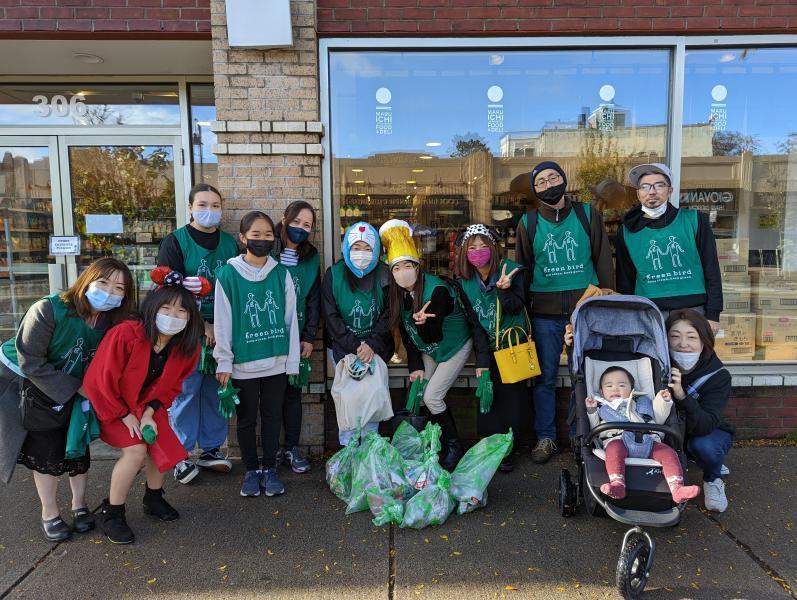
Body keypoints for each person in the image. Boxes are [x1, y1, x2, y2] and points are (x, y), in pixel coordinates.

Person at [0, 258, 134, 542]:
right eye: (103, 282)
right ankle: (49, 513)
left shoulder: (113, 322)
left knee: (77, 445)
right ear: (87, 280)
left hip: (77, 385)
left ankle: (79, 505)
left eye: (119, 287)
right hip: (31, 381)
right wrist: (77, 388)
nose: (109, 292)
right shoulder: (49, 309)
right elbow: (30, 362)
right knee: (46, 449)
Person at [83, 267, 205, 544]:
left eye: (182, 311)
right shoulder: (126, 334)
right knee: (137, 450)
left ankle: (153, 497)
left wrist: (149, 413)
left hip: (146, 407)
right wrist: (124, 414)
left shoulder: (187, 347)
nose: (173, 316)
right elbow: (99, 381)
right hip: (111, 405)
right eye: (166, 308)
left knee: (161, 441)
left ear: (191, 317)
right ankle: (112, 512)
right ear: (152, 307)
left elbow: (172, 387)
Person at [515, 160, 614, 464]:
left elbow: (603, 257)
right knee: (544, 378)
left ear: (564, 180)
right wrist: (522, 310)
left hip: (585, 310)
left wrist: (607, 298)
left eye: (553, 177)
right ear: (535, 190)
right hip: (544, 313)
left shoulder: (587, 214)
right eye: (541, 182)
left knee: (582, 376)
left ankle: (580, 435)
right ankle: (545, 437)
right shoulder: (528, 222)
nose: (548, 184)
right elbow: (523, 268)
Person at [214, 211, 300, 498]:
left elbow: (290, 320)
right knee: (246, 419)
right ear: (243, 238)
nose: (263, 240)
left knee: (273, 417)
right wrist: (224, 361)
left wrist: (292, 361)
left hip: (276, 361)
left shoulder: (281, 273)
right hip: (243, 364)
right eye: (256, 235)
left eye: (268, 235)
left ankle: (270, 468)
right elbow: (223, 321)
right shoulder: (227, 275)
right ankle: (251, 470)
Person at [158, 183, 240, 484]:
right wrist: (201, 325)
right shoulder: (175, 242)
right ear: (191, 207)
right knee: (186, 390)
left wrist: (221, 327)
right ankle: (179, 455)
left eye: (215, 206)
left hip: (223, 330)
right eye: (203, 205)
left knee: (215, 388)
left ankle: (211, 449)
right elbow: (169, 291)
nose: (209, 211)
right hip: (186, 330)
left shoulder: (230, 244)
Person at [381, 220, 471, 471]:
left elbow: (432, 335)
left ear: (418, 267)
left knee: (432, 396)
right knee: (419, 392)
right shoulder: (396, 293)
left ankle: (454, 446)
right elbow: (406, 333)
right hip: (429, 348)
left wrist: (422, 323)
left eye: (407, 266)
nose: (402, 272)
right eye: (397, 267)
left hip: (453, 346)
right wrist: (415, 365)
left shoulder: (437, 291)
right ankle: (430, 443)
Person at [615, 163, 723, 333]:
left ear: (670, 190)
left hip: (693, 308)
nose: (652, 191)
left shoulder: (694, 220)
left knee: (689, 350)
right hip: (648, 311)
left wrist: (713, 314)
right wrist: (628, 314)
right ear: (638, 194)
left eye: (659, 185)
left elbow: (711, 267)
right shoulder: (627, 231)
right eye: (645, 186)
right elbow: (625, 279)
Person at [455, 224, 527, 472]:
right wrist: (482, 359)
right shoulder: (464, 283)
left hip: (512, 345)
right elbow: (474, 323)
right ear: (465, 253)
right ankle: (490, 448)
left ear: (493, 248)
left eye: (483, 246)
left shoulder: (512, 271)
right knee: (488, 397)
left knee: (512, 400)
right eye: (472, 248)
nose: (478, 252)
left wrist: (504, 291)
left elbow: (516, 307)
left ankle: (508, 449)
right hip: (486, 344)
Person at [322, 221, 394, 444]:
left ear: (376, 251)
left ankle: (369, 452)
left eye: (367, 248)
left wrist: (371, 344)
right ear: (346, 248)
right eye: (356, 247)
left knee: (371, 401)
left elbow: (390, 312)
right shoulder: (334, 275)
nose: (361, 253)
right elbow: (331, 316)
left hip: (376, 348)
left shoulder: (385, 274)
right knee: (349, 402)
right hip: (344, 348)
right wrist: (355, 345)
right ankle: (349, 451)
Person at [585, 366, 700, 503]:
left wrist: (664, 401)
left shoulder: (642, 403)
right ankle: (617, 484)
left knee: (669, 453)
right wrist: (591, 411)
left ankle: (677, 488)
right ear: (601, 391)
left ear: (632, 389)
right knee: (613, 449)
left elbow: (659, 417)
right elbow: (594, 427)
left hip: (649, 440)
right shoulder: (602, 408)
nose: (615, 389)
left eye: (622, 385)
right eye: (609, 386)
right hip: (618, 439)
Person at [666, 309, 733, 512]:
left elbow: (706, 425)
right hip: (671, 430)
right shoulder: (658, 366)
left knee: (704, 447)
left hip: (707, 432)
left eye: (691, 337)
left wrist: (682, 395)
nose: (683, 344)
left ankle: (713, 477)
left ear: (704, 341)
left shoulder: (718, 376)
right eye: (675, 336)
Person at [271, 201, 321, 474]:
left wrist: (309, 336)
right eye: (296, 222)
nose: (300, 228)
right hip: (266, 335)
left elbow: (313, 298)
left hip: (297, 335)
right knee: (268, 395)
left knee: (292, 393)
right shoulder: (266, 248)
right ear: (284, 219)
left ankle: (291, 447)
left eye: (307, 225)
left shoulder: (311, 257)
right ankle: (271, 452)